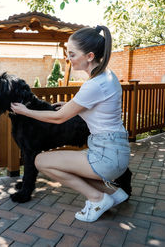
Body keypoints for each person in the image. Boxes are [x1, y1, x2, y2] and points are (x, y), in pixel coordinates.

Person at [10, 25, 131, 223]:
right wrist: (70, 104)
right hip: (117, 152)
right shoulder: (108, 76)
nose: (69, 58)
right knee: (70, 164)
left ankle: (97, 199)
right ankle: (116, 193)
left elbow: (58, 118)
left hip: (106, 157)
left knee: (40, 160)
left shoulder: (94, 84)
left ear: (90, 56)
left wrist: (25, 111)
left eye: (72, 54)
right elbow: (100, 106)